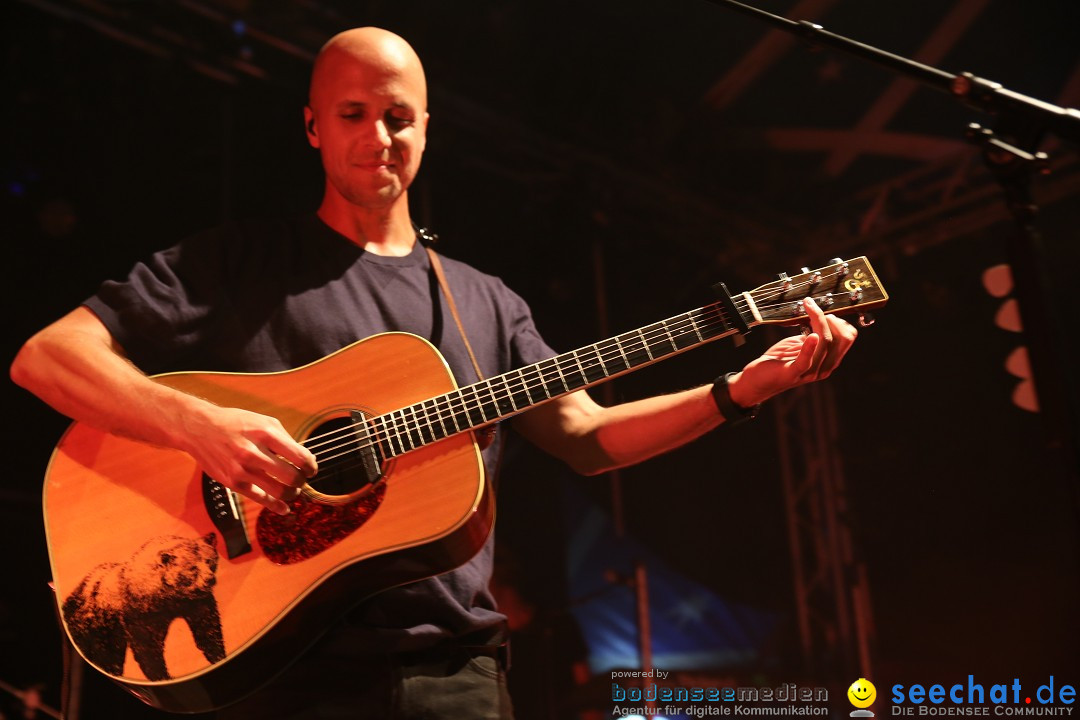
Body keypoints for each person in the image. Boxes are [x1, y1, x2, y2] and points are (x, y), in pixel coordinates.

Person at [10, 27, 857, 720]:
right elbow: (47, 357)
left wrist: (740, 391)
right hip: (274, 673)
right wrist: (195, 424)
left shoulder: (482, 303)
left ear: (425, 127)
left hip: (448, 675)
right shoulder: (235, 262)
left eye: (398, 116)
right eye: (353, 113)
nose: (378, 137)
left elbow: (587, 437)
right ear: (313, 126)